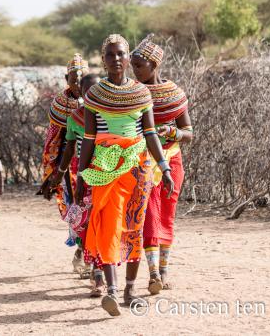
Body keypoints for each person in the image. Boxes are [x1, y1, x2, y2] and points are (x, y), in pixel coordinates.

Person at [75, 34, 174, 316]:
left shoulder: (142, 94)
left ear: (128, 57)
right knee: (108, 225)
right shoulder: (95, 95)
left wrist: (163, 168)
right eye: (110, 55)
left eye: (121, 54)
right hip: (105, 168)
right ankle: (112, 291)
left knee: (134, 225)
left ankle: (130, 289)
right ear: (103, 59)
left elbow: (151, 133)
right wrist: (82, 175)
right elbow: (90, 137)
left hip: (137, 168)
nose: (116, 59)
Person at [131, 35, 193, 295]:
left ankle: (163, 270)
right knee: (147, 216)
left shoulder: (174, 94)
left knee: (166, 214)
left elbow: (188, 132)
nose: (134, 70)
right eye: (132, 65)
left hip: (171, 160)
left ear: (154, 65)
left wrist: (172, 132)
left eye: (139, 66)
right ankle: (154, 272)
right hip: (140, 160)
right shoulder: (132, 93)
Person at [50, 73, 104, 293]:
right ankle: (90, 263)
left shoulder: (109, 116)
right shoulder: (75, 118)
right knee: (83, 221)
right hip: (80, 175)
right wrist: (59, 173)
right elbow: (70, 148)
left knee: (102, 222)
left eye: (96, 90)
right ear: (80, 93)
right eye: (87, 90)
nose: (91, 94)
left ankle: (97, 273)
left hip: (106, 174)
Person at [38, 53, 87, 274]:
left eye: (81, 80)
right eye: (73, 80)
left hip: (98, 163)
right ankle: (82, 252)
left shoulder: (98, 99)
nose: (77, 85)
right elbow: (54, 141)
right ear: (67, 78)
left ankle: (86, 255)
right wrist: (54, 173)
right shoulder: (60, 104)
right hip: (70, 167)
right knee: (77, 209)